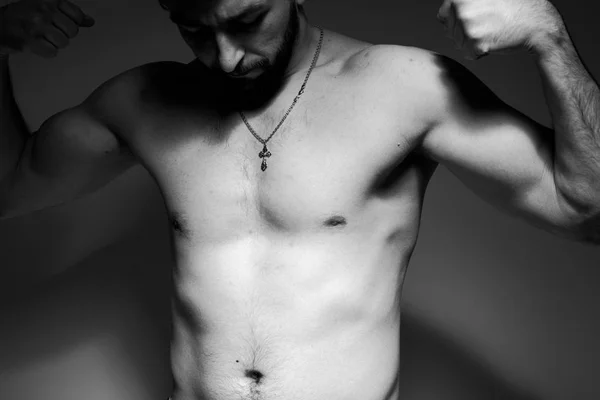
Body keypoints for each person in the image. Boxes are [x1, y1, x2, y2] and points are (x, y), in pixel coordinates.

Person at [1, 0, 599, 399]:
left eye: (247, 19)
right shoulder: (147, 101)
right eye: (195, 29)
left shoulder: (404, 87)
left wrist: (549, 37)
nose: (227, 56)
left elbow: (586, 207)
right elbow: (12, 188)